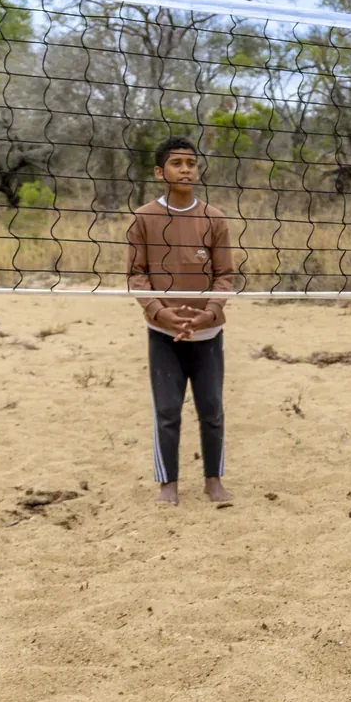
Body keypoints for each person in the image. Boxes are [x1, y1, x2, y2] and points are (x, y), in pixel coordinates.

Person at [128, 136, 235, 506]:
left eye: (191, 163)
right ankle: (167, 485)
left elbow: (225, 276)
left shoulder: (214, 218)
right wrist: (161, 313)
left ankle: (213, 480)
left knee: (211, 409)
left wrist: (211, 310)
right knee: (167, 410)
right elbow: (136, 275)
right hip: (163, 332)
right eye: (177, 163)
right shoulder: (143, 218)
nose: (186, 169)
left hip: (208, 331)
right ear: (161, 172)